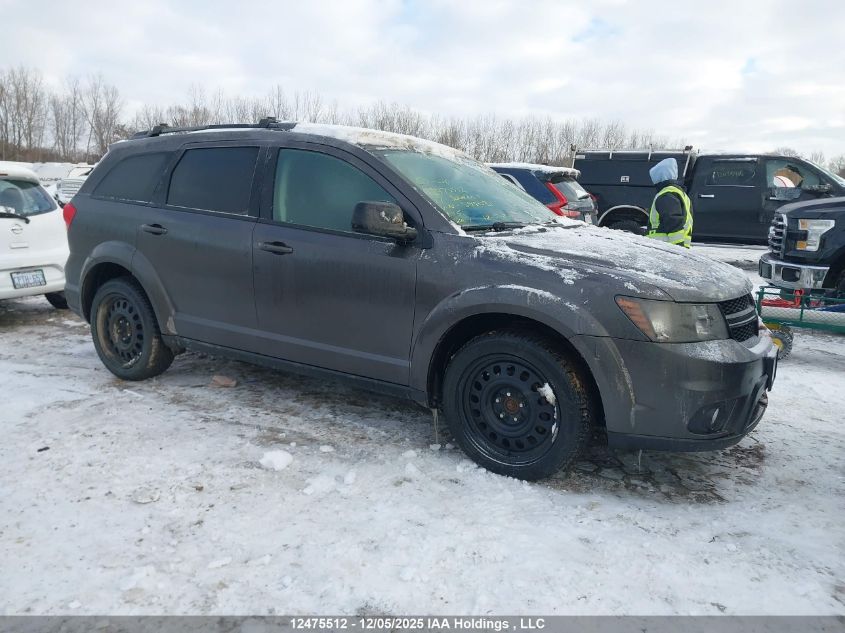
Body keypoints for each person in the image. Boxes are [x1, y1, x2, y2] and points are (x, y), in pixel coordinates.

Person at [646, 157, 693, 248]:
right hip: (674, 245)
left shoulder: (666, 194)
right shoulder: (679, 192)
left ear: (660, 177)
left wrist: (678, 247)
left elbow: (673, 220)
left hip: (665, 247)